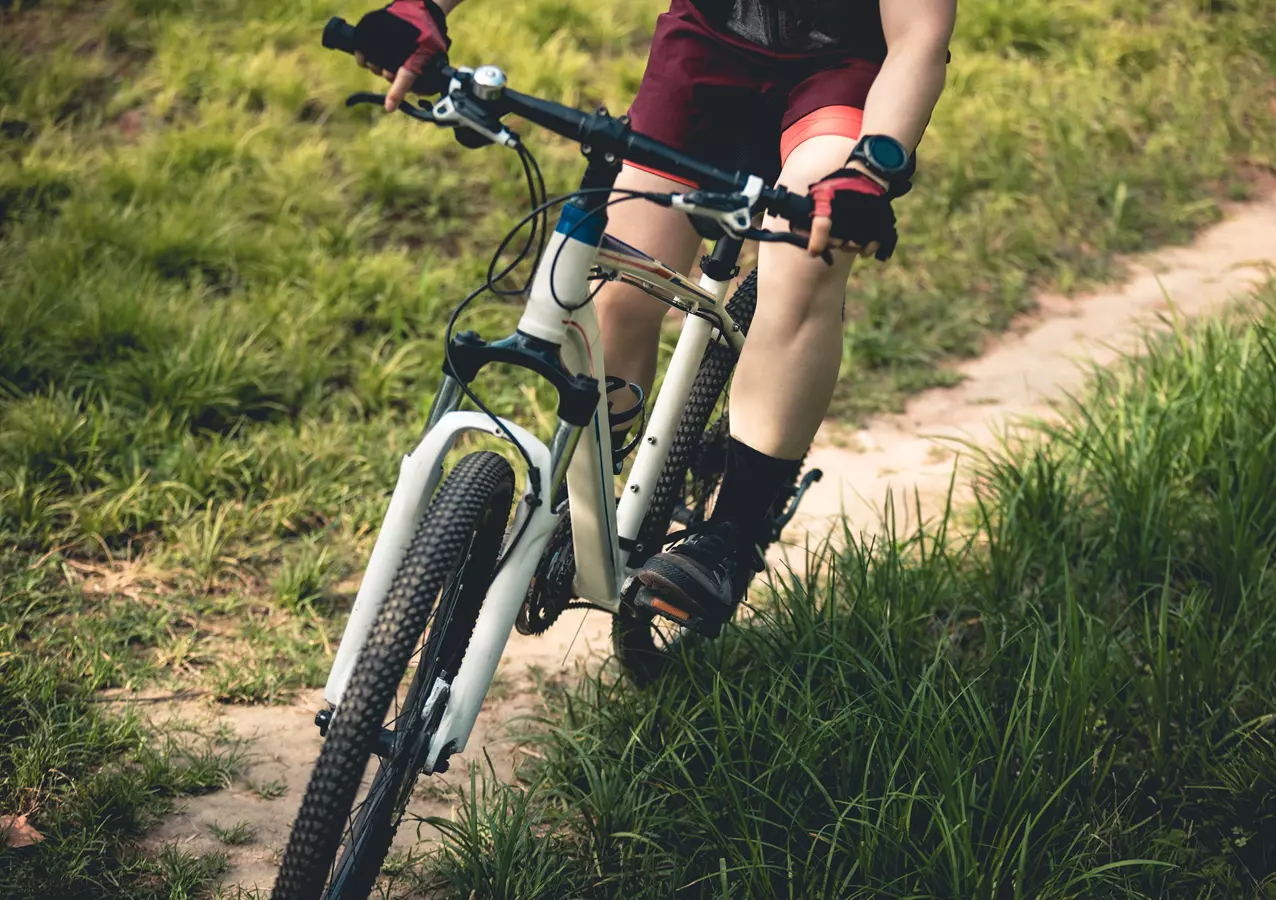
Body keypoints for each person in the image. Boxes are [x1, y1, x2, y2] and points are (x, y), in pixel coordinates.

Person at [348, 0, 957, 637]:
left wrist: (869, 168)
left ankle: (732, 536)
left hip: (844, 69)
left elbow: (919, 37)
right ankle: (582, 509)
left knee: (806, 252)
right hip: (708, 46)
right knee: (615, 291)